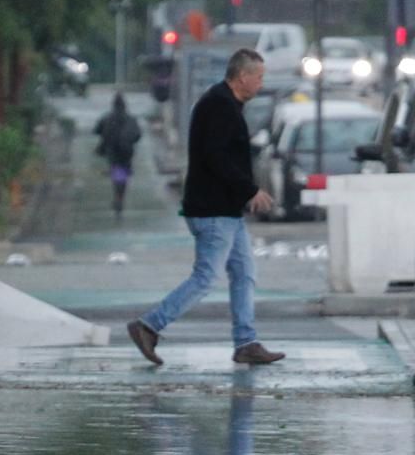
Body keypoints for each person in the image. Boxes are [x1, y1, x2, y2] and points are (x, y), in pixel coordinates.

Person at [127, 48, 285, 367]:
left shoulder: (224, 103)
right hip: (213, 211)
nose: (261, 83)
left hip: (225, 210)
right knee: (205, 277)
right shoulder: (220, 106)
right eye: (259, 77)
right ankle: (149, 326)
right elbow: (217, 157)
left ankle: (246, 342)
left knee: (243, 273)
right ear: (243, 77)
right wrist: (250, 189)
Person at [94, 92, 142, 217]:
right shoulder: (131, 119)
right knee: (123, 175)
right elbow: (138, 135)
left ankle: (118, 197)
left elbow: (96, 130)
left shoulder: (107, 118)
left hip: (113, 152)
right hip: (127, 152)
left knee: (117, 174)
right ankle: (120, 197)